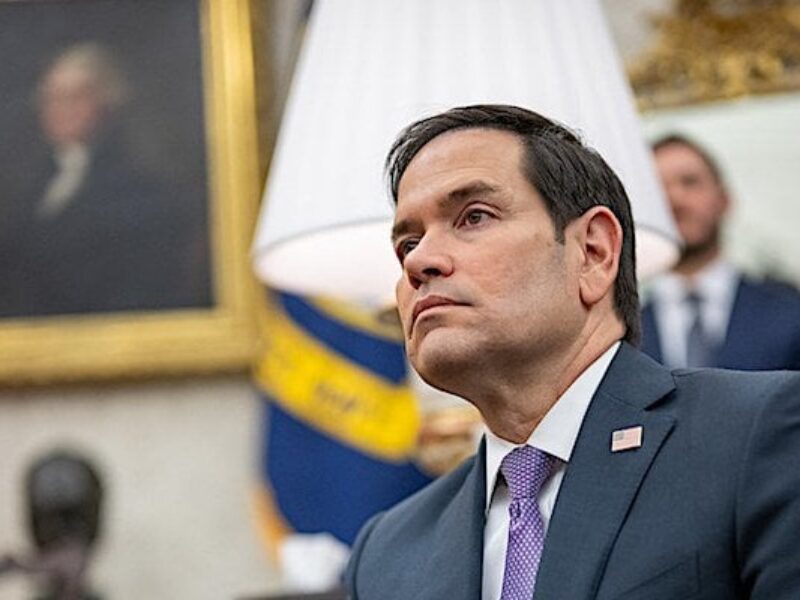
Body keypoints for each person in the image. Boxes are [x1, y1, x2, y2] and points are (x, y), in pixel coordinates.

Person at [343, 105, 800, 599]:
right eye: (407, 244)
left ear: (593, 252)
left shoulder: (759, 434)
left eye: (474, 217)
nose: (420, 261)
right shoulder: (385, 552)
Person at [0, 42, 209, 318]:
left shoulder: (143, 190)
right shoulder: (28, 184)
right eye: (52, 97)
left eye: (76, 96)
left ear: (108, 102)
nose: (61, 108)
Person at [640, 133, 800, 369]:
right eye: (657, 188)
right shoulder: (621, 331)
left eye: (689, 182)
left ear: (724, 199)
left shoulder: (789, 311)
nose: (674, 198)